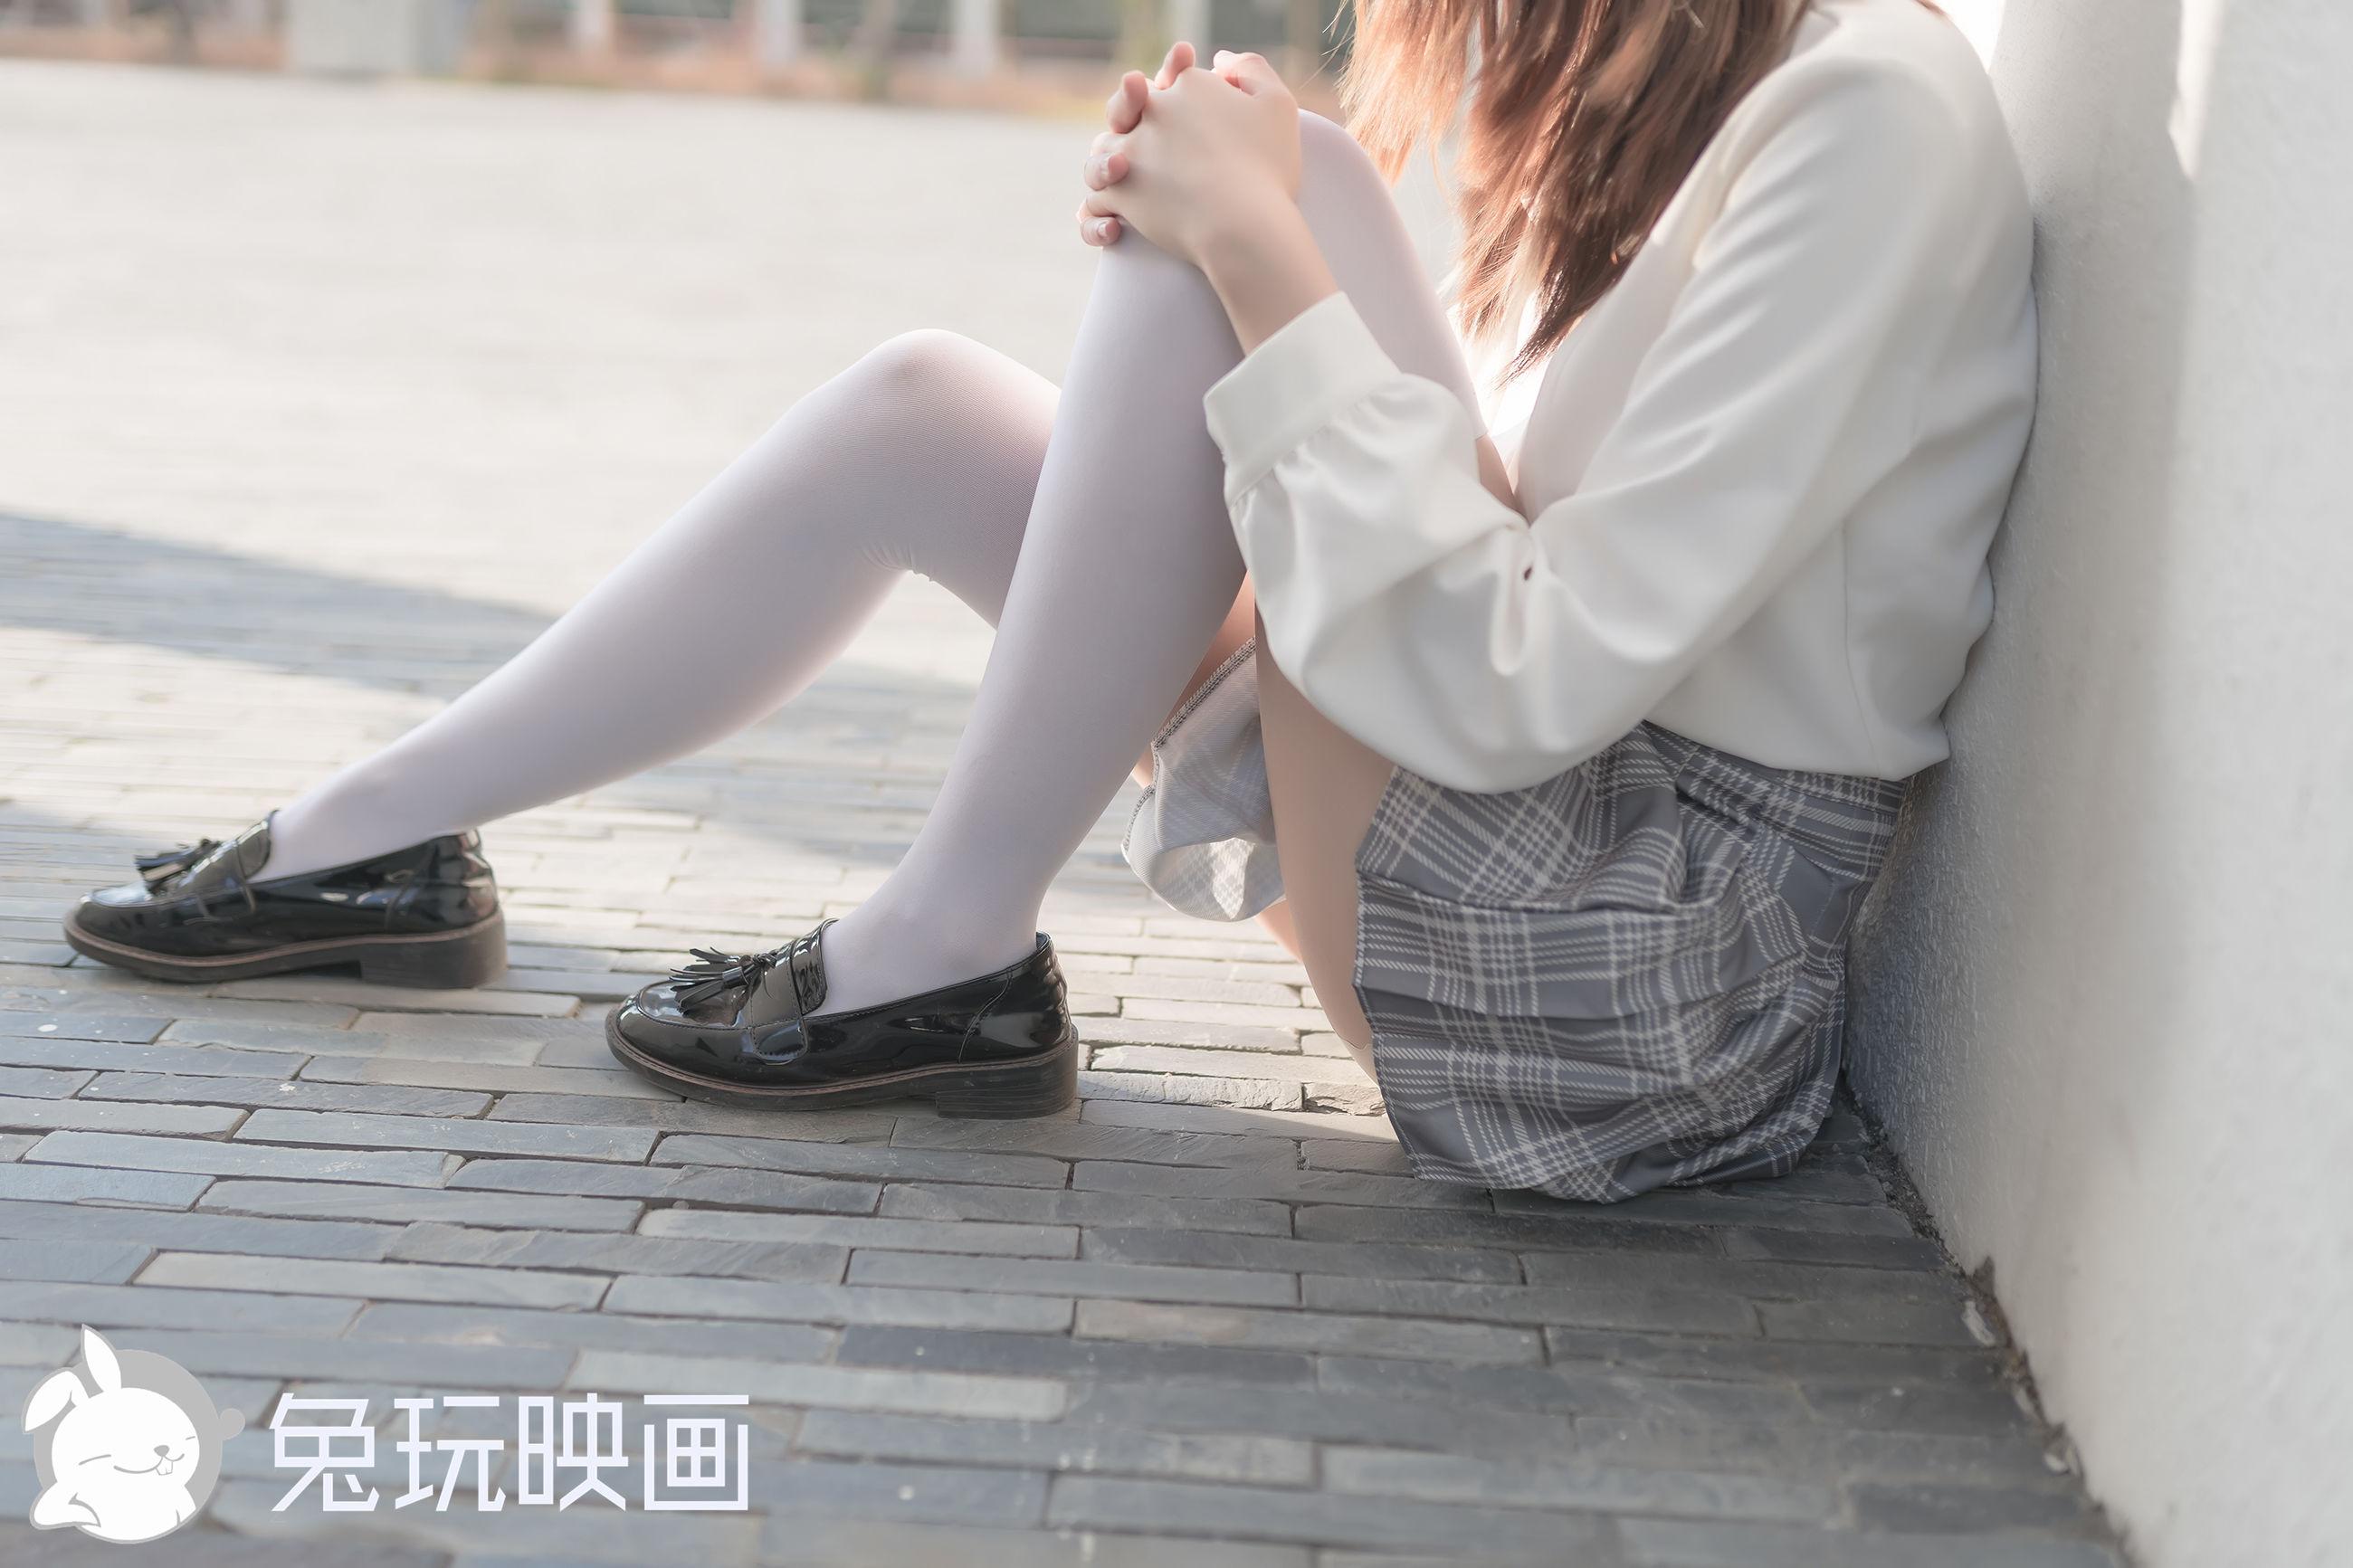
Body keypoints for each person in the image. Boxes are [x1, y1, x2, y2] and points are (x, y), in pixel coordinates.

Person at [64, 0, 2035, 1201]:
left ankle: (944, 947)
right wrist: (1242, 239)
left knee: (1262, 214)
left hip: (1639, 981)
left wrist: (1250, 254)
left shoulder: (1864, 115)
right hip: (1526, 818)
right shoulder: (1692, 98)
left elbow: (1526, 673)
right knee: (936, 403)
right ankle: (368, 844)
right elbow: (1476, 552)